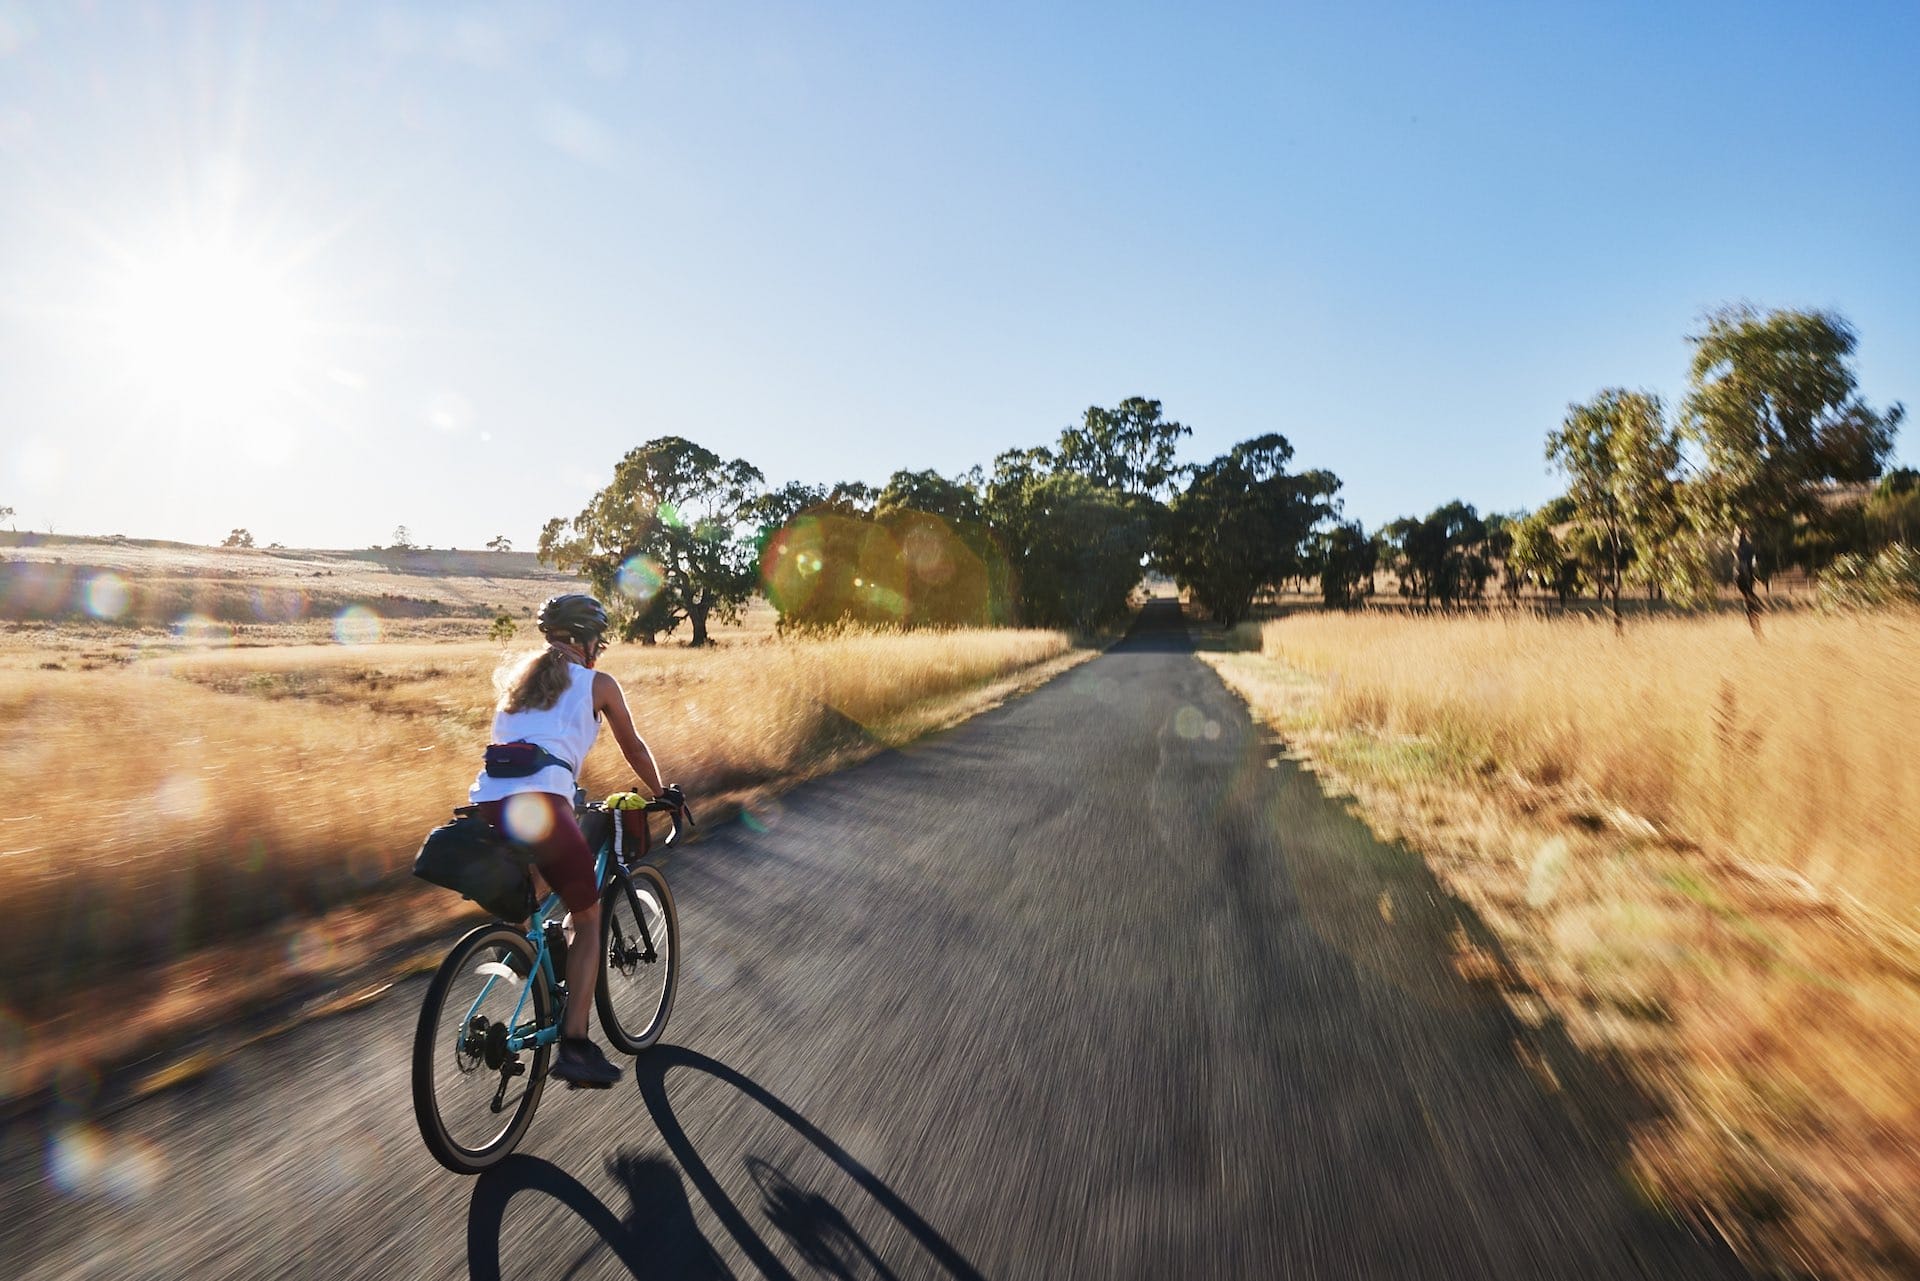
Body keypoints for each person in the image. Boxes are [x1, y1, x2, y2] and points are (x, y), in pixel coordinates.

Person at [469, 592, 669, 1086]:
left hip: (487, 803)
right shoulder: (598, 682)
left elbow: (530, 750)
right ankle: (576, 1045)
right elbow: (633, 745)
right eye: (599, 640)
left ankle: (523, 946)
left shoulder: (518, 684)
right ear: (588, 642)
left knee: (542, 884)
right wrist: (662, 792)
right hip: (543, 808)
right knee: (589, 915)